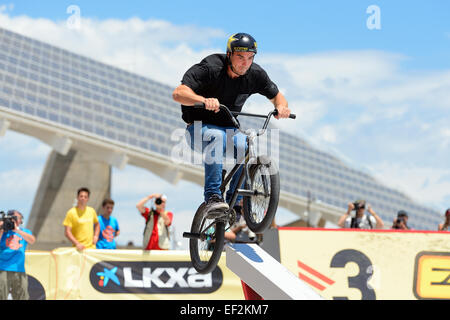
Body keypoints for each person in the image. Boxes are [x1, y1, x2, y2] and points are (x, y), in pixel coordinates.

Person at [172, 32, 290, 215]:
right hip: (198, 128)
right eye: (240, 57)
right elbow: (178, 93)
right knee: (216, 137)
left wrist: (281, 107)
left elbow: (277, 96)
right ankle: (212, 197)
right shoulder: (210, 67)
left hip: (229, 129)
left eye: (250, 58)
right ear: (229, 55)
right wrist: (203, 100)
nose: (245, 63)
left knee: (246, 146)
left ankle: (235, 202)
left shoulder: (255, 74)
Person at [0, 210, 36, 300]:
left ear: (21, 220)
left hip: (19, 269)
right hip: (3, 269)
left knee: (22, 296)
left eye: (16, 218)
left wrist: (17, 230)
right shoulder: (3, 231)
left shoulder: (25, 231)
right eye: (11, 218)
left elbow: (32, 240)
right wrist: (1, 229)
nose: (13, 220)